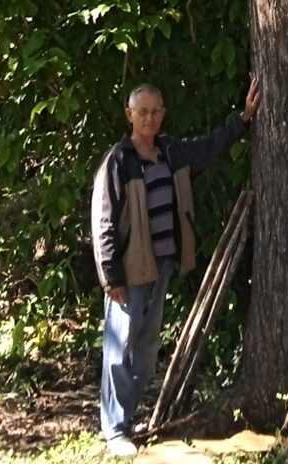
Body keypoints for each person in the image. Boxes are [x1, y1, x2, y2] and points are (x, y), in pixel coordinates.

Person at [92, 78, 261, 456]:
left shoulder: (170, 153)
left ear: (163, 114)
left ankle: (129, 418)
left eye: (155, 111)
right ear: (129, 116)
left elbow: (208, 147)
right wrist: (111, 276)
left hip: (161, 266)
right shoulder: (119, 161)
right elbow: (103, 222)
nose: (149, 118)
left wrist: (244, 120)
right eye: (142, 112)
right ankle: (115, 429)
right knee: (120, 350)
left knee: (147, 348)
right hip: (129, 272)